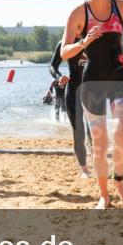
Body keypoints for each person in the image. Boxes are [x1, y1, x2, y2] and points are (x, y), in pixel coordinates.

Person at [61, 0, 123, 209]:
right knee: (99, 140)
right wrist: (84, 42)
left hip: (119, 77)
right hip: (92, 81)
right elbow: (64, 52)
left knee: (121, 132)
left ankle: (119, 180)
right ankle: (104, 194)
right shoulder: (78, 13)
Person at [49, 39, 91, 177]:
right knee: (78, 131)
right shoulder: (64, 44)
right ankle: (84, 169)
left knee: (95, 132)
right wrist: (59, 77)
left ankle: (97, 161)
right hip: (73, 90)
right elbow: (52, 66)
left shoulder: (94, 39)